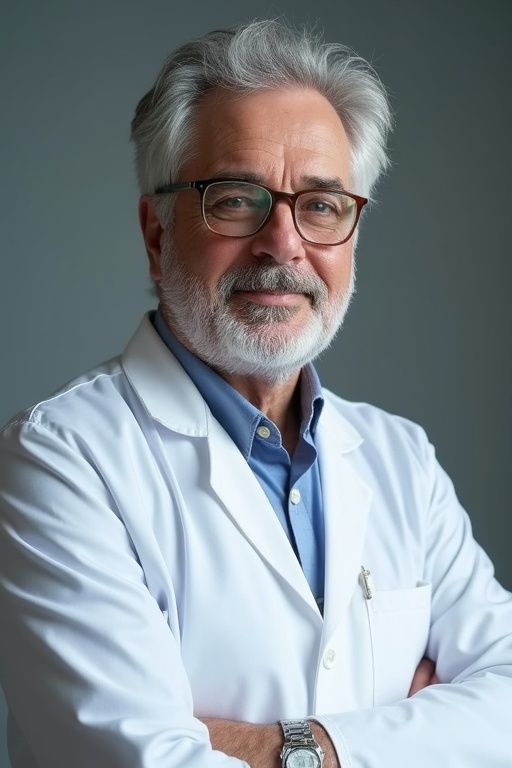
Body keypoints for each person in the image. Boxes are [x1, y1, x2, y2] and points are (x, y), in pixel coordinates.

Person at [0, 18, 511, 768]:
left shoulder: (403, 460)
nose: (284, 243)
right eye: (236, 198)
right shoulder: (59, 461)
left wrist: (297, 747)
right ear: (156, 231)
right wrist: (416, 729)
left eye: (322, 204)